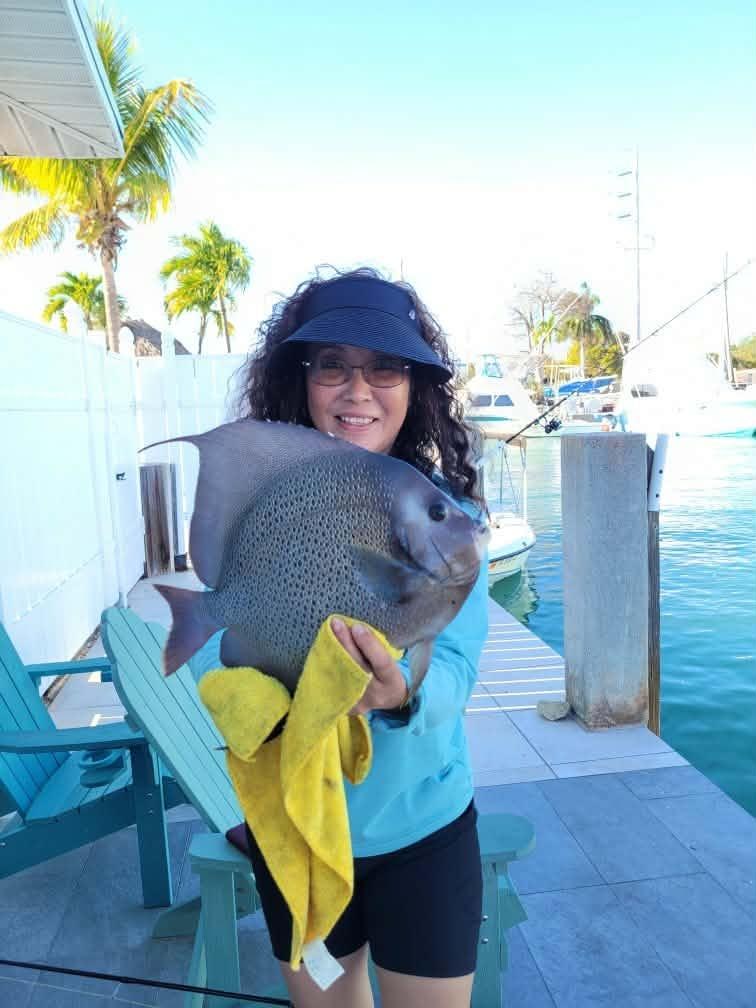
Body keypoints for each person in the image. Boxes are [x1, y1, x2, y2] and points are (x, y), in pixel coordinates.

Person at [195, 267, 489, 1008]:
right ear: (302, 379)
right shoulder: (271, 495)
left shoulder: (443, 518)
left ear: (414, 386)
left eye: (385, 367)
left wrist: (402, 692)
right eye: (333, 365)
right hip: (294, 827)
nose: (359, 390)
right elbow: (231, 638)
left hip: (423, 831)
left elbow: (454, 665)